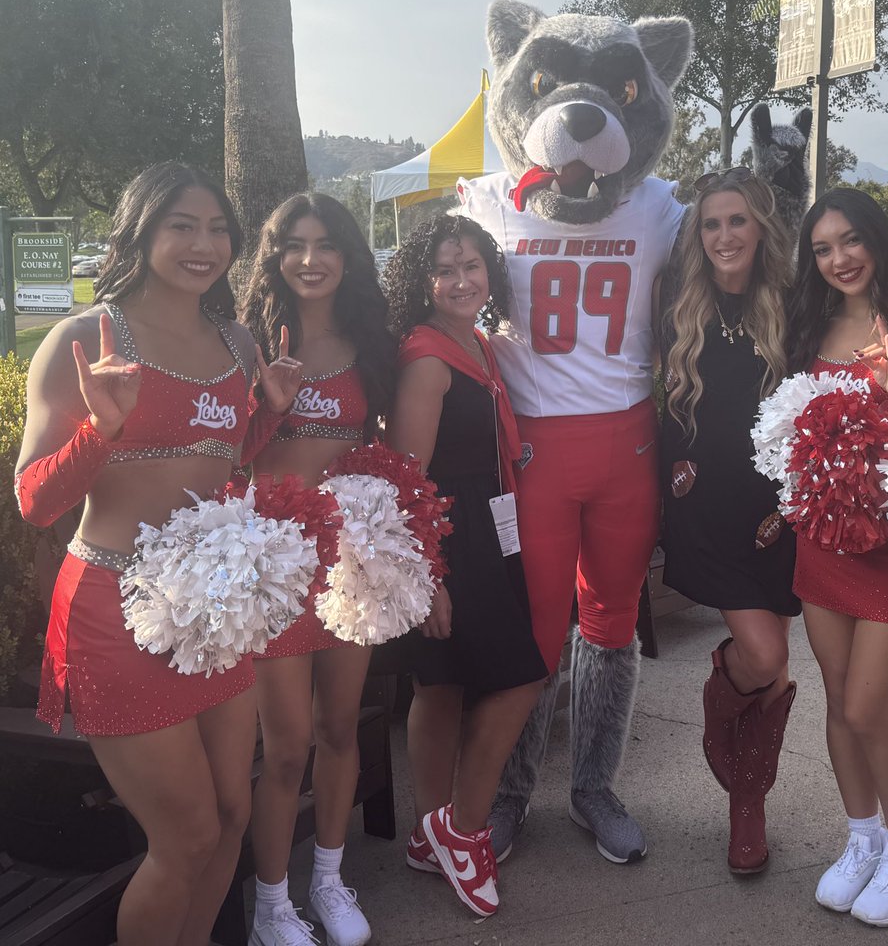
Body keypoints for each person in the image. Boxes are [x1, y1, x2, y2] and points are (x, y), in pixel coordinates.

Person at [16, 163, 296, 946]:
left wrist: (267, 417)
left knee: (232, 814)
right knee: (185, 839)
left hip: (212, 608)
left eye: (217, 229)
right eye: (182, 225)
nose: (203, 244)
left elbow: (224, 462)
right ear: (141, 231)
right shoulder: (85, 340)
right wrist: (99, 431)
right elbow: (33, 501)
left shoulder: (237, 341)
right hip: (115, 613)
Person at [784, 187, 888, 928]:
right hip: (823, 540)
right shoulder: (811, 323)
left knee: (869, 707)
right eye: (823, 248)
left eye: (850, 240)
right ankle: (864, 839)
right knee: (836, 701)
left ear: (877, 239)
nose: (839, 259)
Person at [239, 194, 396, 946]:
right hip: (271, 564)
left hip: (348, 566)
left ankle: (329, 882)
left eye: (325, 243)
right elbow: (224, 455)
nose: (309, 258)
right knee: (288, 744)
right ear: (274, 257)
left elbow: (392, 451)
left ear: (347, 257)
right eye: (294, 244)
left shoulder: (374, 345)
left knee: (340, 727)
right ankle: (272, 904)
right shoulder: (247, 343)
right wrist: (270, 406)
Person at [385, 214, 547, 919]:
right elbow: (409, 477)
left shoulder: (476, 343)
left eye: (472, 266)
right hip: (451, 539)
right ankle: (463, 827)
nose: (460, 280)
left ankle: (428, 836)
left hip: (488, 528)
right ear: (422, 281)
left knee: (443, 684)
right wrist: (433, 576)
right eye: (445, 269)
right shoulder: (426, 356)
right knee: (521, 678)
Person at [659, 168, 799, 876]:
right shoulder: (678, 303)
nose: (723, 236)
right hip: (702, 505)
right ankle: (722, 701)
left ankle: (749, 808)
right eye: (711, 224)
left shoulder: (793, 306)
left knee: (771, 670)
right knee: (766, 656)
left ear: (761, 227)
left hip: (779, 510)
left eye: (736, 221)